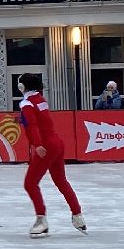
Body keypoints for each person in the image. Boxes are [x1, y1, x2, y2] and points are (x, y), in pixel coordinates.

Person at [17, 72, 85, 238]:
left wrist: (38, 144)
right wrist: (20, 120)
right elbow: (39, 120)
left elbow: (33, 125)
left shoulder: (26, 103)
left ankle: (41, 220)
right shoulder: (40, 99)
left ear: (22, 86)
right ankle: (78, 216)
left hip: (45, 146)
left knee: (30, 183)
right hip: (57, 143)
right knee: (61, 181)